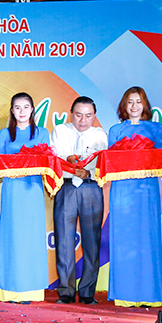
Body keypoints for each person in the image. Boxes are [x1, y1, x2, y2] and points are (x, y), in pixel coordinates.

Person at [107, 86, 162, 307]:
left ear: (145, 105)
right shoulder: (115, 130)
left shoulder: (156, 129)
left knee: (147, 238)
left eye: (138, 101)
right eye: (130, 101)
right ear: (124, 105)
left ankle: (150, 295)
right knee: (123, 238)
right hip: (122, 190)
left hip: (147, 190)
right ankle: (125, 295)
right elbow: (111, 162)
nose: (134, 106)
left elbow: (161, 159)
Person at [0, 92, 50, 303]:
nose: (22, 111)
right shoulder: (5, 134)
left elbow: (48, 161)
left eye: (26, 107)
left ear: (32, 110)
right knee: (13, 236)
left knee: (31, 238)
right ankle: (11, 289)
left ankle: (30, 289)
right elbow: (1, 163)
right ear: (12, 111)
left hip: (32, 189)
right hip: (13, 190)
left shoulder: (42, 133)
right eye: (17, 107)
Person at [50, 96, 108, 305]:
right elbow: (56, 158)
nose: (83, 120)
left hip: (91, 188)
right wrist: (71, 163)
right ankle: (65, 290)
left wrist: (87, 173)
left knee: (92, 241)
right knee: (64, 240)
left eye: (88, 115)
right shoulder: (59, 131)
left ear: (94, 116)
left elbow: (101, 162)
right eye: (78, 115)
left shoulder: (100, 134)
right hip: (66, 187)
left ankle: (87, 291)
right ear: (71, 113)